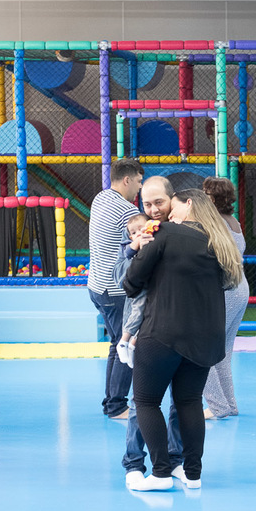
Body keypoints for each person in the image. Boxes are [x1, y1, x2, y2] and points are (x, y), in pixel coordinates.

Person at [123, 189, 244, 491]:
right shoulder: (220, 240)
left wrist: (137, 251)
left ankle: (161, 473)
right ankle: (193, 474)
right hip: (204, 338)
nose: (169, 214)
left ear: (188, 204)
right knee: (189, 401)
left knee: (146, 401)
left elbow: (131, 281)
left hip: (163, 332)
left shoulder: (166, 232)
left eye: (173, 208)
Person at [120, 176, 185, 485]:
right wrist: (135, 249)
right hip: (146, 329)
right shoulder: (140, 233)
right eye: (147, 204)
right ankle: (134, 462)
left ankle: (175, 459)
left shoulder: (184, 230)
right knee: (142, 400)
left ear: (172, 199)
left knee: (182, 399)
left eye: (159, 202)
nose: (154, 209)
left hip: (180, 326)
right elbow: (121, 277)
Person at [88, 158, 145, 420]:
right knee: (127, 345)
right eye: (139, 182)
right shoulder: (126, 211)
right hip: (115, 291)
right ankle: (117, 406)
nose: (140, 188)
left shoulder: (100, 198)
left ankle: (112, 403)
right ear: (127, 180)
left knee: (116, 344)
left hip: (97, 286)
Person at [200, 177, 250, 420]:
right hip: (239, 287)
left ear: (212, 198)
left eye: (205, 193)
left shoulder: (215, 223)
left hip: (226, 289)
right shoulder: (232, 221)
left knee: (203, 349)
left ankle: (218, 405)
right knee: (223, 352)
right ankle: (228, 404)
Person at [113, 213, 151, 368]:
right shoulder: (132, 244)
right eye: (134, 233)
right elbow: (125, 259)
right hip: (140, 291)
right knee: (137, 311)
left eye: (142, 229)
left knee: (142, 319)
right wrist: (137, 244)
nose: (139, 234)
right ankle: (124, 341)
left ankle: (131, 345)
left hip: (152, 291)